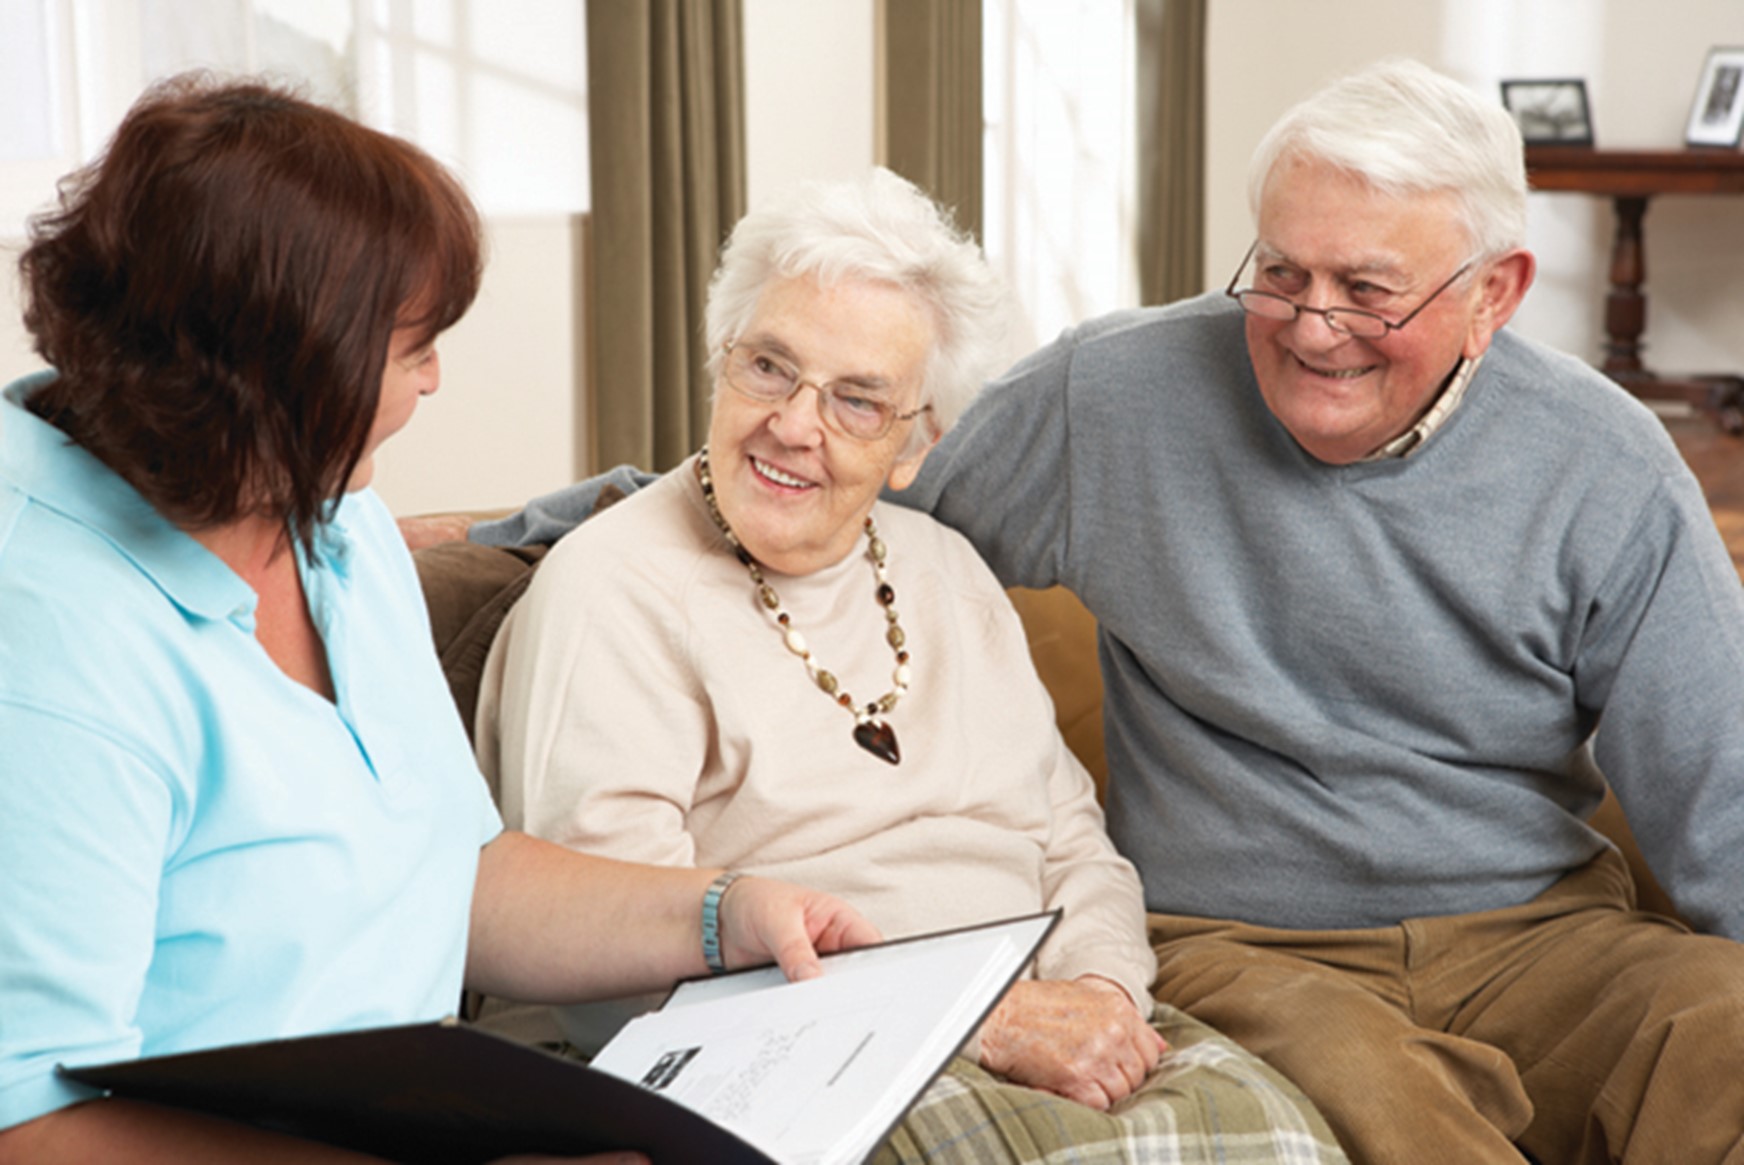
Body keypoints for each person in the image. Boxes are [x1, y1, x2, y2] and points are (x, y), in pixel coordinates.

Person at [457, 60, 1744, 1163]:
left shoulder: (1607, 467)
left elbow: (1722, 797)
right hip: (1250, 943)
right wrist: (520, 528)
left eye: (1367, 291)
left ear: (1494, 291)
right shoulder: (1117, 397)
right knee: (1374, 1108)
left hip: (1540, 932)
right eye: (1280, 272)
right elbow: (833, 468)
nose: (1310, 326)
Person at [0, 75, 879, 1164]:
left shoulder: (329, 512)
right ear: (278, 367)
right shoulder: (48, 643)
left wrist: (721, 915)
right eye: (412, 346)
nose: (434, 380)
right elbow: (28, 1124)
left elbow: (453, 872)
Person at [473, 168, 1349, 1164]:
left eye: (856, 400)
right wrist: (974, 1020)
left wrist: (1102, 994)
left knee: (1289, 1140)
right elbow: (616, 955)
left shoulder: (944, 570)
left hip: (1038, 1019)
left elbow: (1072, 842)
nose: (795, 425)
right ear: (720, 359)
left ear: (914, 443)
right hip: (799, 1054)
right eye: (768, 367)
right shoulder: (613, 590)